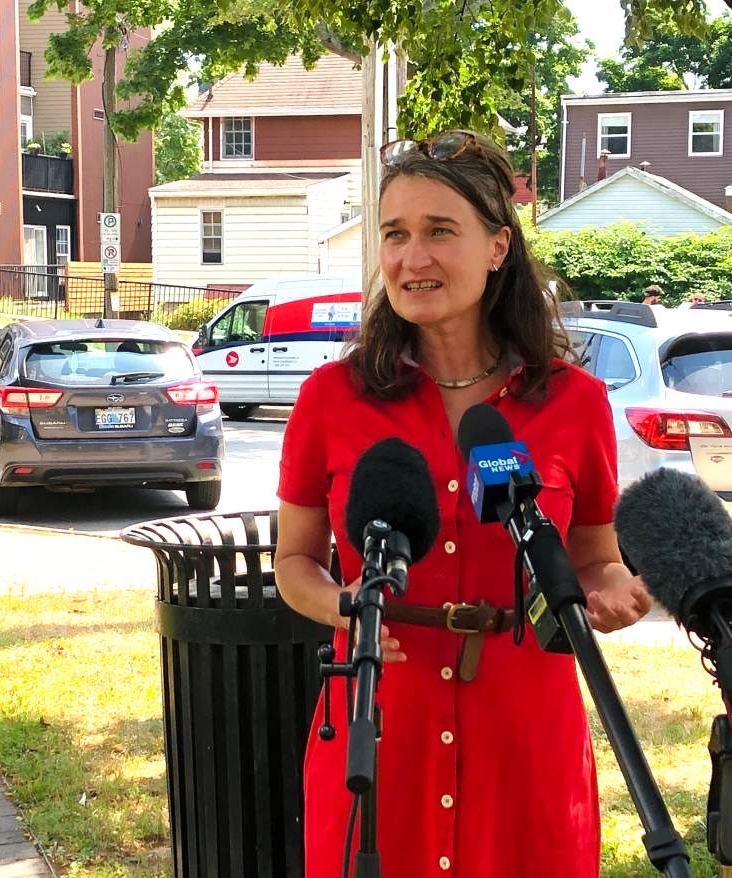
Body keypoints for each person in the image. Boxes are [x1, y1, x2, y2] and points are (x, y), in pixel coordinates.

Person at [273, 130, 653, 878]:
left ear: (497, 248)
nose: (413, 258)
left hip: (526, 731)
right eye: (395, 234)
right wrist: (345, 605)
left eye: (440, 231)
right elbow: (294, 562)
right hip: (379, 727)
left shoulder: (576, 404)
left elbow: (595, 556)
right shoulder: (330, 399)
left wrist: (613, 590)